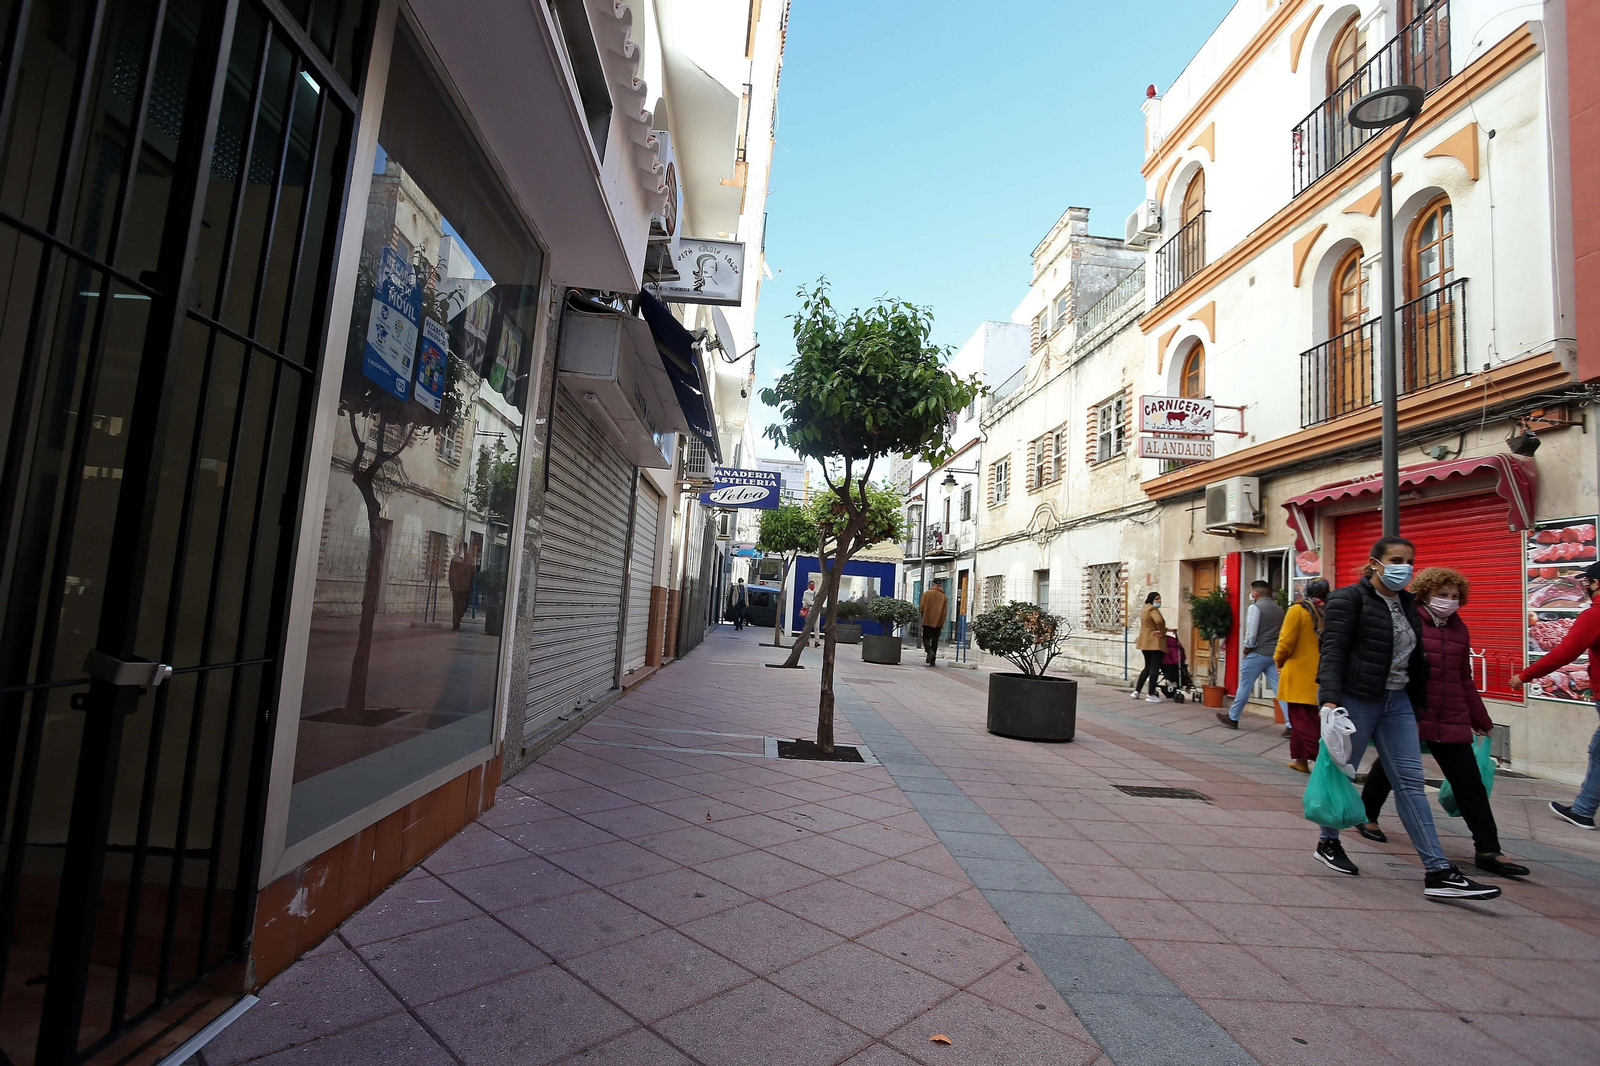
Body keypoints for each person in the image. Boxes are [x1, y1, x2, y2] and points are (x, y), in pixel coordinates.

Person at [1311, 535, 1500, 900]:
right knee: (1340, 771)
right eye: (1396, 560)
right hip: (1358, 697)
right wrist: (1330, 701)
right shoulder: (1348, 599)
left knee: (1410, 783)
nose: (1405, 568)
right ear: (1374, 563)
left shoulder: (1409, 603)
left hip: (1398, 701)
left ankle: (1438, 870)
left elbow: (1417, 658)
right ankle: (1328, 841)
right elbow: (1333, 651)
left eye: (1409, 561)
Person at [1358, 567, 1528, 877]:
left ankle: (1488, 850)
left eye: (1454, 596)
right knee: (1388, 769)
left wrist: (1479, 716)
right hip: (1411, 710)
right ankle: (1367, 815)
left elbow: (1464, 677)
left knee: (1469, 782)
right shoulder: (1409, 622)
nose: (1449, 601)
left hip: (1451, 714)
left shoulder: (1459, 628)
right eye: (1442, 594)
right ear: (1425, 594)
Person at [1511, 560, 1600, 831]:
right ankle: (1583, 810)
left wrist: (1525, 675)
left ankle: (1583, 811)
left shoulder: (1594, 615)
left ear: (1596, 583)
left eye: (1588, 582)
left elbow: (1564, 653)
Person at [1275, 578, 1329, 773]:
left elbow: (1286, 641)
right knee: (1305, 720)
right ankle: (1300, 760)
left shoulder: (1298, 610)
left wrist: (1278, 660)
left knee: (1303, 723)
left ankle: (1325, 764)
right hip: (1322, 673)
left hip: (1299, 674)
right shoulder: (1330, 611)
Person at [1217, 580, 1284, 729]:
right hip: (1273, 654)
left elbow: (1252, 633)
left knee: (1244, 687)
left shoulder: (1255, 608)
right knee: (1280, 690)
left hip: (1256, 653)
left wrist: (1246, 649)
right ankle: (1291, 724)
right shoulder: (1279, 609)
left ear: (1255, 593)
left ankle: (1233, 717)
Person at [1133, 591, 1167, 703]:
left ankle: (1137, 691)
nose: (1159, 601)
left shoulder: (1145, 609)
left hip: (1144, 641)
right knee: (1154, 669)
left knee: (1147, 667)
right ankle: (1151, 694)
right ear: (1151, 599)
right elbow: (1159, 621)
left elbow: (1149, 624)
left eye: (1159, 599)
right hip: (1154, 642)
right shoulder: (1153, 609)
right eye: (1157, 599)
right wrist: (1162, 631)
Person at [920, 578, 949, 666]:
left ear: (933, 584)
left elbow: (921, 607)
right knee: (935, 641)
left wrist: (923, 615)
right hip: (938, 622)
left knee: (926, 638)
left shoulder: (927, 594)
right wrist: (941, 622)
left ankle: (929, 651)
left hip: (927, 620)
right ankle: (933, 660)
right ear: (941, 585)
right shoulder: (943, 597)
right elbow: (944, 612)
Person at [448, 543, 474, 631]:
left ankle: (457, 617)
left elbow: (472, 573)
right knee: (459, 604)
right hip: (461, 586)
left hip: (462, 586)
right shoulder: (457, 559)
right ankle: (456, 620)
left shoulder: (468, 559)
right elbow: (451, 572)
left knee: (460, 604)